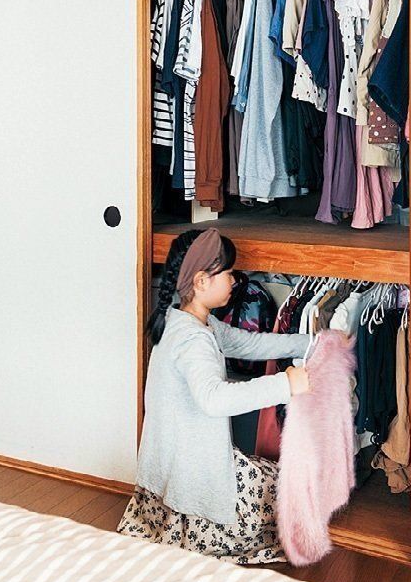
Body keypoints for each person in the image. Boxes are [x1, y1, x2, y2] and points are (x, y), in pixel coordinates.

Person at [118, 228, 310, 564]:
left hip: (175, 467)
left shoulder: (185, 320)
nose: (235, 280)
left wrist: (310, 343)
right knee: (292, 493)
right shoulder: (193, 339)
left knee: (279, 484)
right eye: (229, 273)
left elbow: (248, 343)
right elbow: (214, 399)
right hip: (192, 474)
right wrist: (285, 385)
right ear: (201, 281)